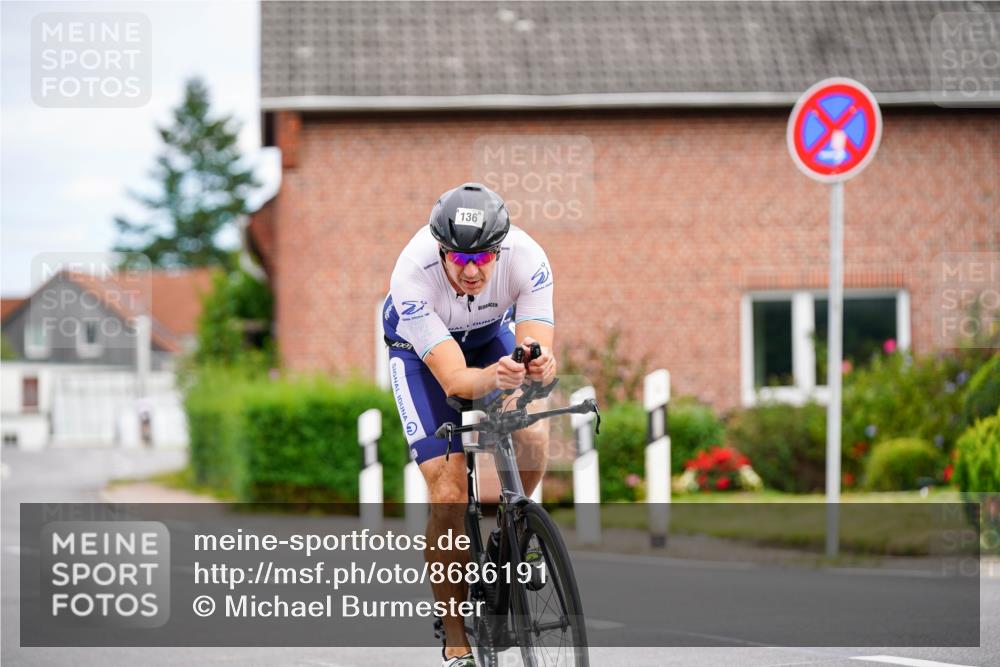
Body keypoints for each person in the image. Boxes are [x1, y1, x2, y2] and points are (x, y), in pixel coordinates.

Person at [383, 183, 556, 666]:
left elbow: (538, 345)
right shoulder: (412, 274)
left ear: (500, 250)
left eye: (484, 258)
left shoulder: (528, 258)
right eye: (459, 259)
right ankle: (456, 635)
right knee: (448, 489)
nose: (473, 270)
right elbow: (457, 382)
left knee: (533, 431)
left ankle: (514, 531)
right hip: (420, 352)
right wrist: (494, 378)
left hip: (486, 337)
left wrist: (540, 366)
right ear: (440, 250)